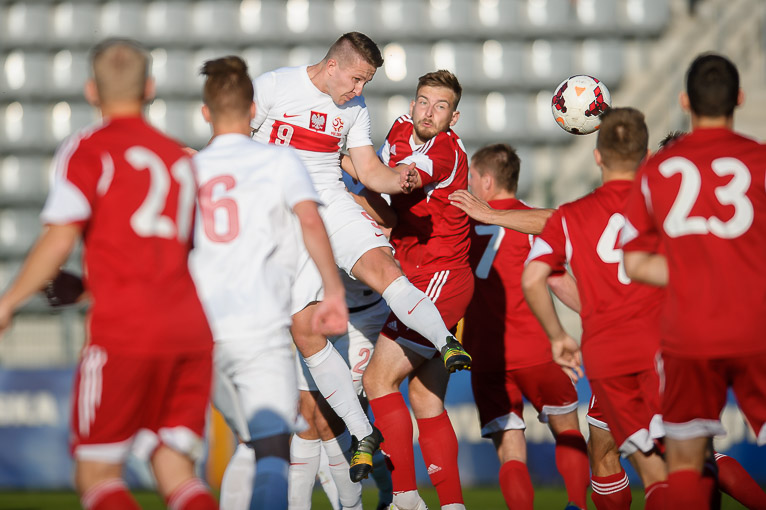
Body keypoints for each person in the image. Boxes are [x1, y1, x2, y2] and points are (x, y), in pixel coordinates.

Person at [0, 38, 217, 510]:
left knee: (96, 475)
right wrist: (87, 289)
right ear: (150, 88)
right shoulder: (180, 158)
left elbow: (59, 238)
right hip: (189, 330)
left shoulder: (88, 149)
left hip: (124, 333)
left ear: (91, 91)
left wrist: (8, 301)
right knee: (174, 467)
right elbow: (171, 254)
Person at [250, 32, 471, 480]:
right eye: (356, 79)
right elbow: (236, 143)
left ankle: (445, 342)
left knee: (381, 266)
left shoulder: (355, 107)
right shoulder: (273, 86)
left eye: (365, 82)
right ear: (332, 66)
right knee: (305, 333)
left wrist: (399, 179)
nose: (359, 90)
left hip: (330, 201)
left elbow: (369, 171)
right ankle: (362, 431)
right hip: (280, 216)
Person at [189, 56, 349, 510]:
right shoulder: (279, 160)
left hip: (203, 332)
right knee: (273, 452)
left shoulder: (190, 169)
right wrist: (333, 291)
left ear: (205, 113)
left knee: (246, 443)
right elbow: (311, 222)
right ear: (253, 109)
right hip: (260, 329)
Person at [620, 53, 766, 508]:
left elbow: (635, 263)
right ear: (739, 98)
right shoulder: (760, 161)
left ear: (684, 101)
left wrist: (694, 273)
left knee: (684, 460)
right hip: (755, 326)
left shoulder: (654, 173)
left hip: (688, 332)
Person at [523, 107, 670, 509]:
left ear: (598, 156)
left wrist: (558, 337)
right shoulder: (665, 207)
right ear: (645, 156)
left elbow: (535, 277)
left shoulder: (570, 216)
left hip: (608, 354)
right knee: (682, 460)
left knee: (633, 461)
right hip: (662, 345)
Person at [361, 70, 472, 510]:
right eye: (424, 102)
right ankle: (453, 505)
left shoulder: (445, 151)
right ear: (412, 104)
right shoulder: (400, 129)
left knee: (377, 379)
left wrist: (340, 161)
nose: (429, 112)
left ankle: (405, 498)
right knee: (426, 399)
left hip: (438, 279)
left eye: (441, 107)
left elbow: (403, 178)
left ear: (453, 117)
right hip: (421, 277)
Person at [461, 143, 590, 510]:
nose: (470, 185)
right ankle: (577, 504)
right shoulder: (530, 223)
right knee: (568, 429)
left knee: (511, 452)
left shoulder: (462, 226)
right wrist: (596, 314)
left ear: (487, 181)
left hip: (486, 356)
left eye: (472, 177)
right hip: (538, 349)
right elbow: (557, 280)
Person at [290, 173, 394, 510]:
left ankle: (384, 496)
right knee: (309, 420)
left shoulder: (371, 193)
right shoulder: (306, 191)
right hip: (319, 314)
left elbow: (390, 232)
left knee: (336, 420)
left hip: (364, 319)